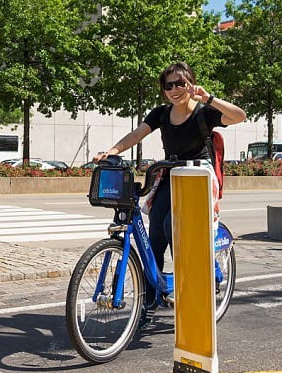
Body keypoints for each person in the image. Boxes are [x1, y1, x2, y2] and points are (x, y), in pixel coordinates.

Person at [93, 62, 246, 306]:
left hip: (197, 178)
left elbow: (239, 116)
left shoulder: (203, 112)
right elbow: (137, 134)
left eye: (180, 84)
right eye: (168, 85)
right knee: (154, 233)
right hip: (170, 174)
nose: (174, 90)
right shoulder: (161, 114)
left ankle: (192, 278)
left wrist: (210, 98)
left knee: (170, 224)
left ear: (191, 83)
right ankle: (151, 299)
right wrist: (113, 150)